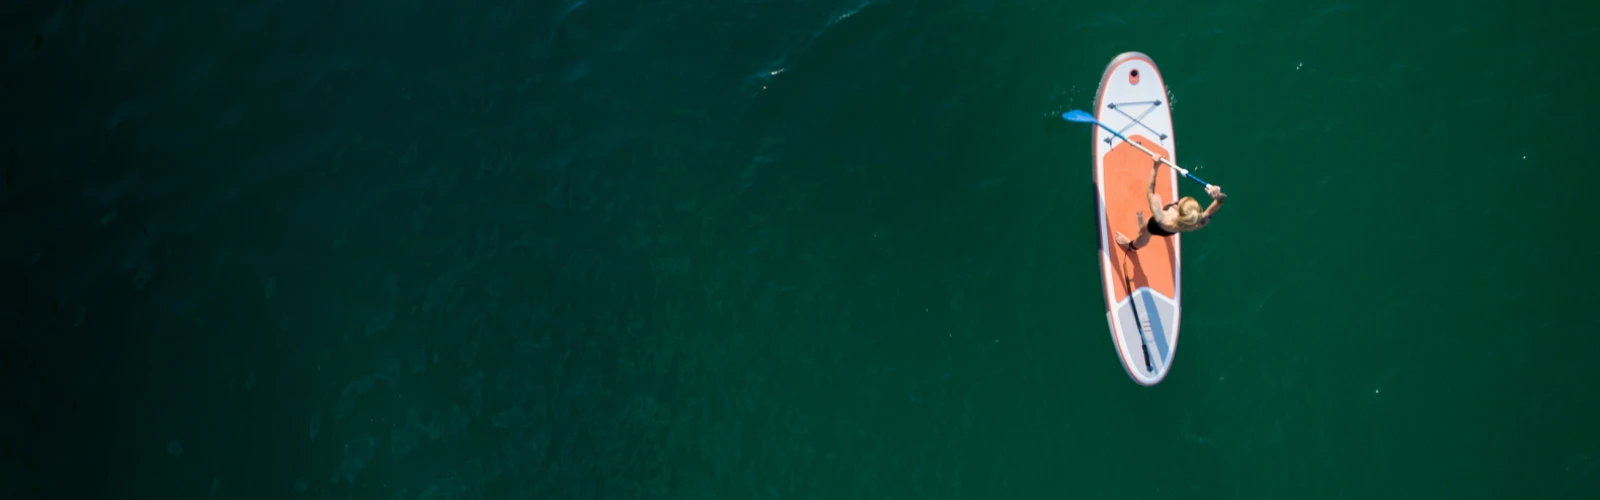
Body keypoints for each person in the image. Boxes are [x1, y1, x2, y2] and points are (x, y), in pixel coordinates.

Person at [1115, 155, 1226, 251]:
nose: (1176, 202)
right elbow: (1221, 200)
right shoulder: (1195, 222)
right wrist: (1217, 196)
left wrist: (1155, 166)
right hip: (1171, 231)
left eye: (1177, 203)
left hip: (1155, 226)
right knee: (1151, 230)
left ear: (1178, 208)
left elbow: (1150, 192)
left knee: (1144, 232)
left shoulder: (1162, 217)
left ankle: (1132, 246)